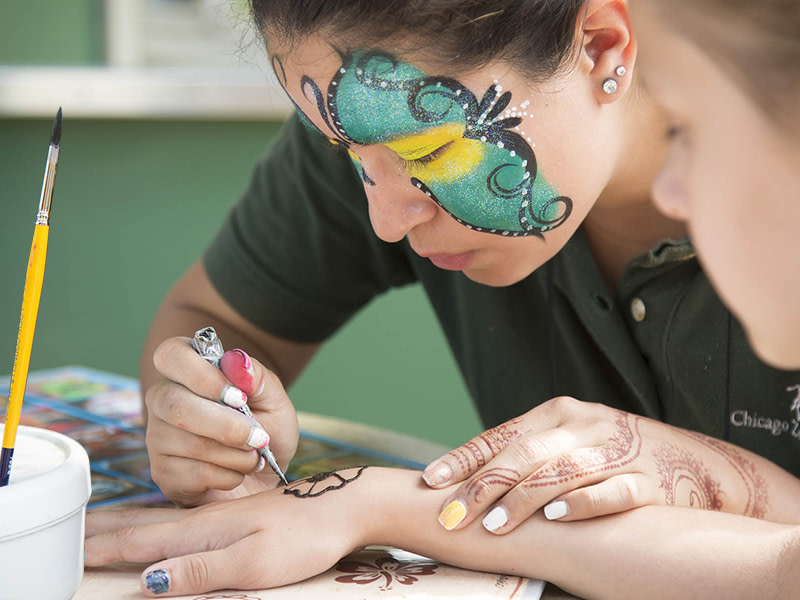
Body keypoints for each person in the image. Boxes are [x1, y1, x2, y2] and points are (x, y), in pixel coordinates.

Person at [85, 0, 800, 598]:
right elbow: (216, 320)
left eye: (431, 154)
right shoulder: (366, 115)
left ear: (602, 46)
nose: (385, 219)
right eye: (343, 153)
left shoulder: (770, 178)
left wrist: (381, 505)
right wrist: (207, 419)